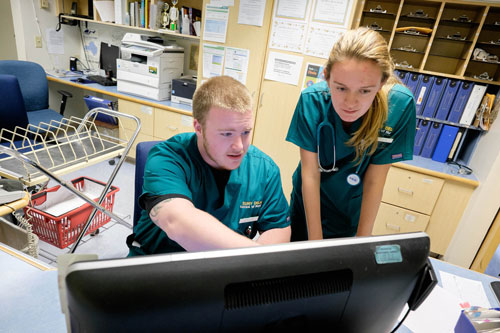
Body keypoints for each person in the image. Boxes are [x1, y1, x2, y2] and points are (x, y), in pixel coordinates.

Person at [127, 75, 291, 255]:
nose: (239, 146)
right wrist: (252, 257)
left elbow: (278, 228)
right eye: (227, 134)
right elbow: (178, 223)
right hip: (158, 264)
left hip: (228, 269)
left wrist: (250, 268)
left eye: (245, 132)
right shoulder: (167, 158)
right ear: (198, 127)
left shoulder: (264, 169)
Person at [286, 27, 416, 241]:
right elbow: (310, 174)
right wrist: (315, 242)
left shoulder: (399, 106)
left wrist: (362, 242)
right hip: (309, 205)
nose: (350, 103)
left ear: (382, 83)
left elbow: (375, 180)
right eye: (341, 88)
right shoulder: (313, 101)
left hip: (351, 208)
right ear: (327, 77)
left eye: (365, 91)